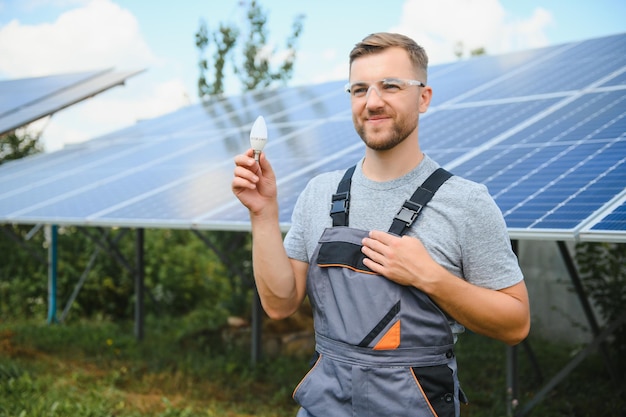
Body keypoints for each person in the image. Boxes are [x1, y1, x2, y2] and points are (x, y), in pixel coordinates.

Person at [232, 32, 530, 417]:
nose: (372, 102)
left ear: (423, 97)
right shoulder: (319, 193)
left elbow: (515, 324)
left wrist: (430, 277)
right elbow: (279, 303)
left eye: (390, 86)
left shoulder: (466, 202)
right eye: (359, 90)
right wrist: (262, 214)